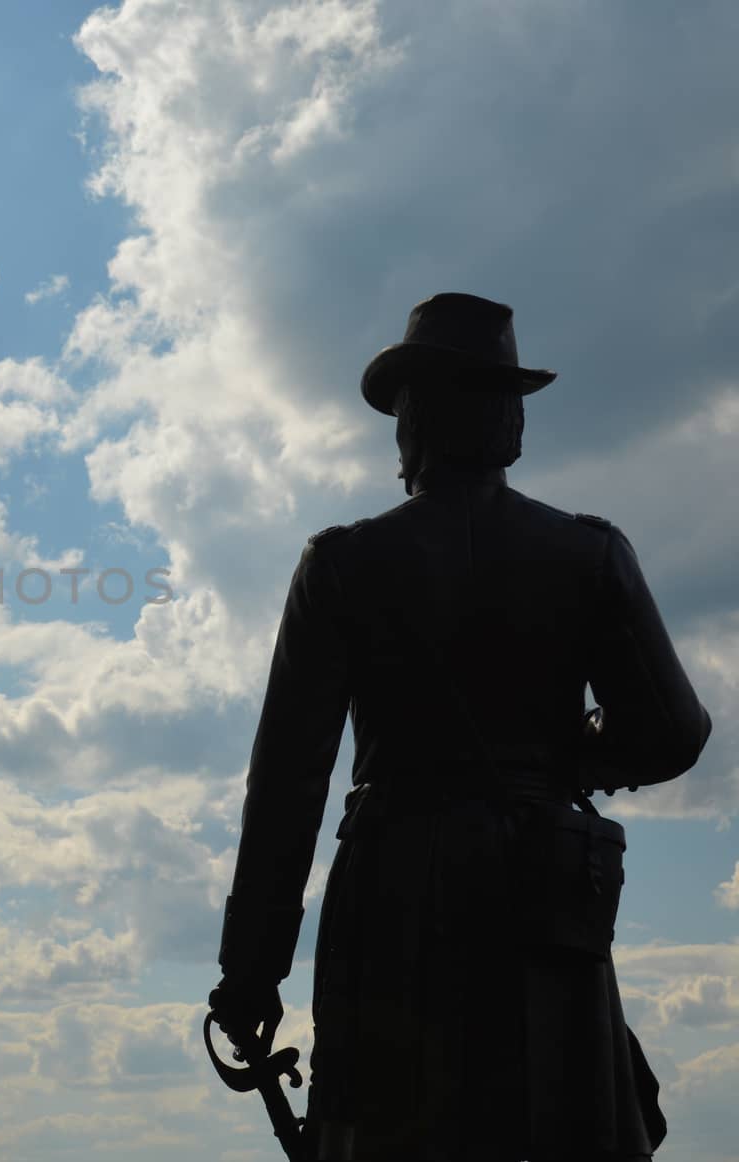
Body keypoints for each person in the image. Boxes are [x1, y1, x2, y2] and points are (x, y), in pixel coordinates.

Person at [207, 293, 714, 1161]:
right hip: (547, 887)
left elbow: (290, 785)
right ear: (508, 424)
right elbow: (673, 732)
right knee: (564, 1121)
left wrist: (251, 973)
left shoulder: (343, 565)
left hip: (395, 888)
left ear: (414, 425)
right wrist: (558, 766)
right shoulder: (588, 554)